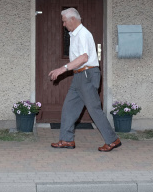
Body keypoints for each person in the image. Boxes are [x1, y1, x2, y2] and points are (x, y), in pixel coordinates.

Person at [48, 8, 121, 152]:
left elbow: (83, 58)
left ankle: (112, 140)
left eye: (64, 21)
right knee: (69, 107)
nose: (63, 24)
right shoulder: (75, 34)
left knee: (94, 110)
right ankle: (67, 140)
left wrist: (62, 69)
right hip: (79, 76)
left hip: (87, 74)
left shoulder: (83, 34)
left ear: (72, 19)